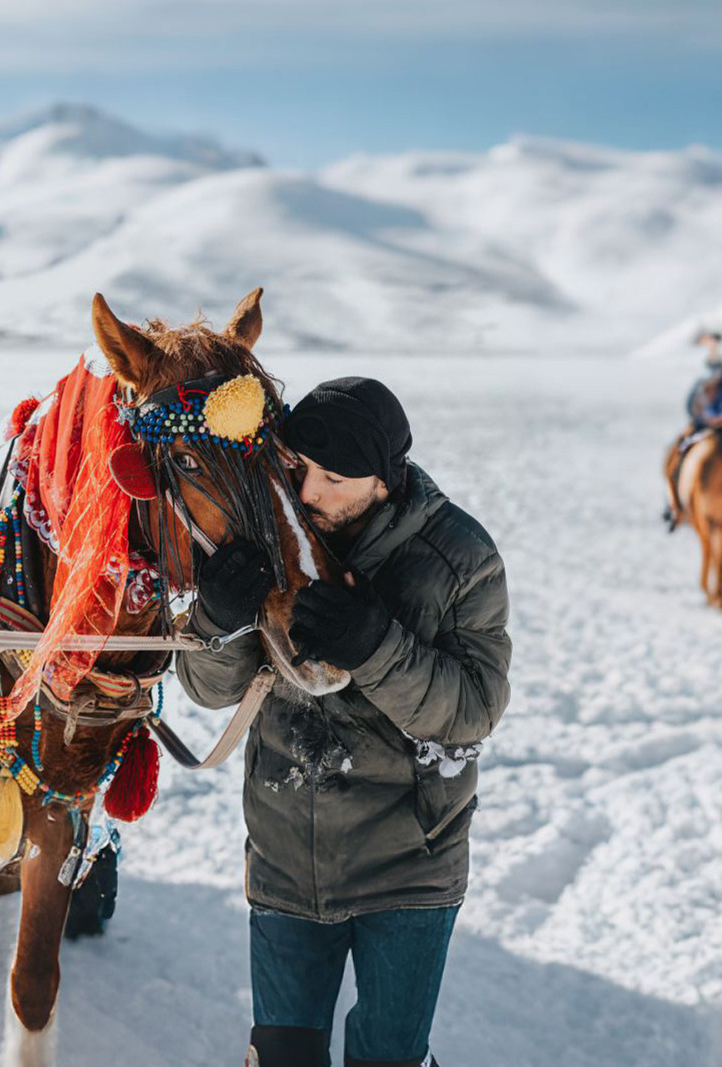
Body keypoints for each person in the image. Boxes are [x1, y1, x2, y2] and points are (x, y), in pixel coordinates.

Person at [176, 377, 511, 1067]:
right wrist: (214, 620)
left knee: (388, 1058)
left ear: (384, 481)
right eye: (300, 469)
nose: (308, 493)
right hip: (285, 860)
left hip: (407, 866)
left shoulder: (459, 557)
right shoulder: (273, 532)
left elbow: (474, 709)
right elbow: (208, 690)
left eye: (334, 479)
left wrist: (375, 647)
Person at [664, 330, 722, 529]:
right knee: (680, 454)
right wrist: (707, 419)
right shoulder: (700, 385)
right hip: (703, 427)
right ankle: (675, 504)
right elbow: (691, 408)